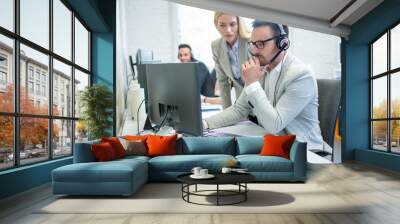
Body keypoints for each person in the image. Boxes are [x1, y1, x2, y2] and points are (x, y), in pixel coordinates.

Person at [204, 20, 323, 151]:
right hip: (274, 146)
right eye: (253, 44)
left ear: (282, 43)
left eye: (260, 44)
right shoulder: (262, 67)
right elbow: (239, 109)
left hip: (304, 153)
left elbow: (274, 124)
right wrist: (204, 124)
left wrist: (252, 83)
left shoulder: (300, 75)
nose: (254, 50)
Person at [212, 12, 251, 109]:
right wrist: (226, 112)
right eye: (222, 25)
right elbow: (223, 81)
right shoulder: (216, 46)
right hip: (240, 103)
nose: (228, 30)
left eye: (232, 24)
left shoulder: (251, 41)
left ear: (238, 24)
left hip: (260, 99)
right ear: (216, 24)